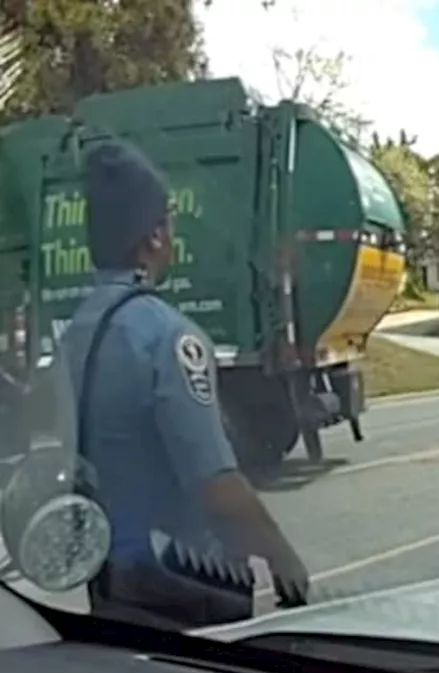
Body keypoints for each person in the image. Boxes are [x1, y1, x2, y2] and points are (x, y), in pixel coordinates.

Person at [52, 140, 309, 629]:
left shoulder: (73, 336)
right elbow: (215, 484)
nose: (173, 232)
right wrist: (282, 557)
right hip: (183, 585)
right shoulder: (170, 337)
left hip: (106, 580)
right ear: (152, 236)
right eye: (169, 220)